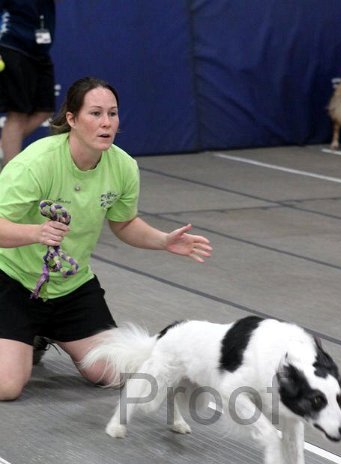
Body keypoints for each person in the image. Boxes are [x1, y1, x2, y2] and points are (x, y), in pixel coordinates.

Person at [0, 76, 213, 401]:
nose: (106, 123)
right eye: (95, 113)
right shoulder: (35, 164)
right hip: (13, 282)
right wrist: (35, 232)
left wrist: (163, 241)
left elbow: (124, 223)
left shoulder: (123, 167)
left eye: (112, 114)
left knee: (116, 374)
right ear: (71, 119)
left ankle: (41, 336)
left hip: (71, 288)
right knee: (7, 386)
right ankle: (25, 337)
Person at [0, 0, 56, 165]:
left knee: (44, 110)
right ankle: (12, 175)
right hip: (13, 46)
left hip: (40, 51)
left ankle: (5, 144)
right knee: (17, 113)